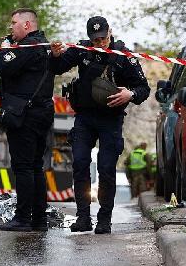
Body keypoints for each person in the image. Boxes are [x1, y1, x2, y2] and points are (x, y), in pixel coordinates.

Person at [50, 16, 150, 234]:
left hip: (111, 119)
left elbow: (144, 88)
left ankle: (104, 219)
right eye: (95, 40)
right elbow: (57, 68)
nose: (100, 43)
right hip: (84, 117)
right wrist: (55, 55)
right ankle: (83, 217)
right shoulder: (82, 50)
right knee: (80, 164)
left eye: (103, 38)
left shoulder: (123, 56)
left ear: (110, 32)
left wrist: (130, 94)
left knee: (105, 168)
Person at [0, 9, 57, 232]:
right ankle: (38, 218)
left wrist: (4, 48)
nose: (10, 28)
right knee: (35, 166)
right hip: (41, 112)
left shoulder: (29, 47)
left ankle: (23, 218)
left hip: (25, 115)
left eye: (13, 23)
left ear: (27, 25)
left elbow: (3, 67)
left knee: (23, 167)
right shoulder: (44, 45)